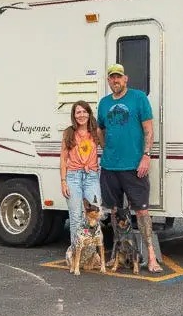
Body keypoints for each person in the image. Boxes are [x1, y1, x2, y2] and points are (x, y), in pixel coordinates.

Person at [97, 63, 162, 273]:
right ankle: (119, 253)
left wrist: (146, 156)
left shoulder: (138, 98)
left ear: (126, 79)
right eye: (111, 78)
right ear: (108, 81)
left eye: (118, 77)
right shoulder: (104, 103)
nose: (115, 81)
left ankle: (151, 256)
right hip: (109, 167)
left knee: (142, 211)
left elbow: (148, 130)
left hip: (134, 167)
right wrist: (106, 149)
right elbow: (100, 129)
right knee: (115, 212)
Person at [60, 100, 103, 252]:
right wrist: (64, 181)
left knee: (94, 214)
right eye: (78, 112)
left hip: (91, 176)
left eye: (84, 112)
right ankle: (76, 254)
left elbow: (106, 148)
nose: (81, 115)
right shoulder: (68, 132)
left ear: (89, 114)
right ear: (74, 115)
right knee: (76, 217)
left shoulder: (95, 132)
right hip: (73, 177)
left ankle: (91, 254)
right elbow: (63, 159)